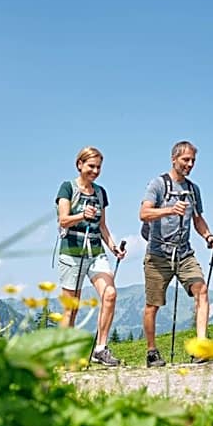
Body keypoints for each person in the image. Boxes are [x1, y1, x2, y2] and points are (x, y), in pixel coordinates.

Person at [139, 140, 213, 367]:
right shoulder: (158, 184)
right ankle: (151, 351)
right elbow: (144, 213)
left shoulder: (194, 190)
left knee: (201, 290)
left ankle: (201, 347)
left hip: (184, 253)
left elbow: (198, 219)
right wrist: (169, 209)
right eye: (186, 160)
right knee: (152, 305)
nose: (190, 164)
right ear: (174, 159)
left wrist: (208, 237)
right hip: (158, 254)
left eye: (193, 161)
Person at [56, 146, 126, 366]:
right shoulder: (67, 188)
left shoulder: (100, 192)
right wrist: (81, 215)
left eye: (98, 167)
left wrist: (114, 247)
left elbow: (102, 225)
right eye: (91, 166)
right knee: (71, 307)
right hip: (72, 251)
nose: (95, 171)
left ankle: (100, 348)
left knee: (110, 293)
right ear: (80, 165)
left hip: (96, 251)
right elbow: (63, 220)